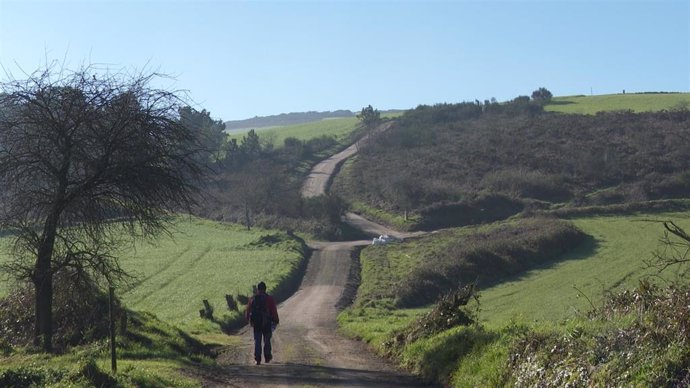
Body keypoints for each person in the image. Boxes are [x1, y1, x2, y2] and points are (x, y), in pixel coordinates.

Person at [245, 281, 279, 365]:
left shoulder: (252, 298)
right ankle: (267, 357)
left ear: (258, 289)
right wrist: (276, 320)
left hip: (256, 323)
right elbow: (273, 310)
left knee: (257, 340)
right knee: (267, 340)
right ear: (265, 289)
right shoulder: (269, 298)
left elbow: (248, 310)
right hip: (267, 322)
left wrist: (248, 319)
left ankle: (258, 358)